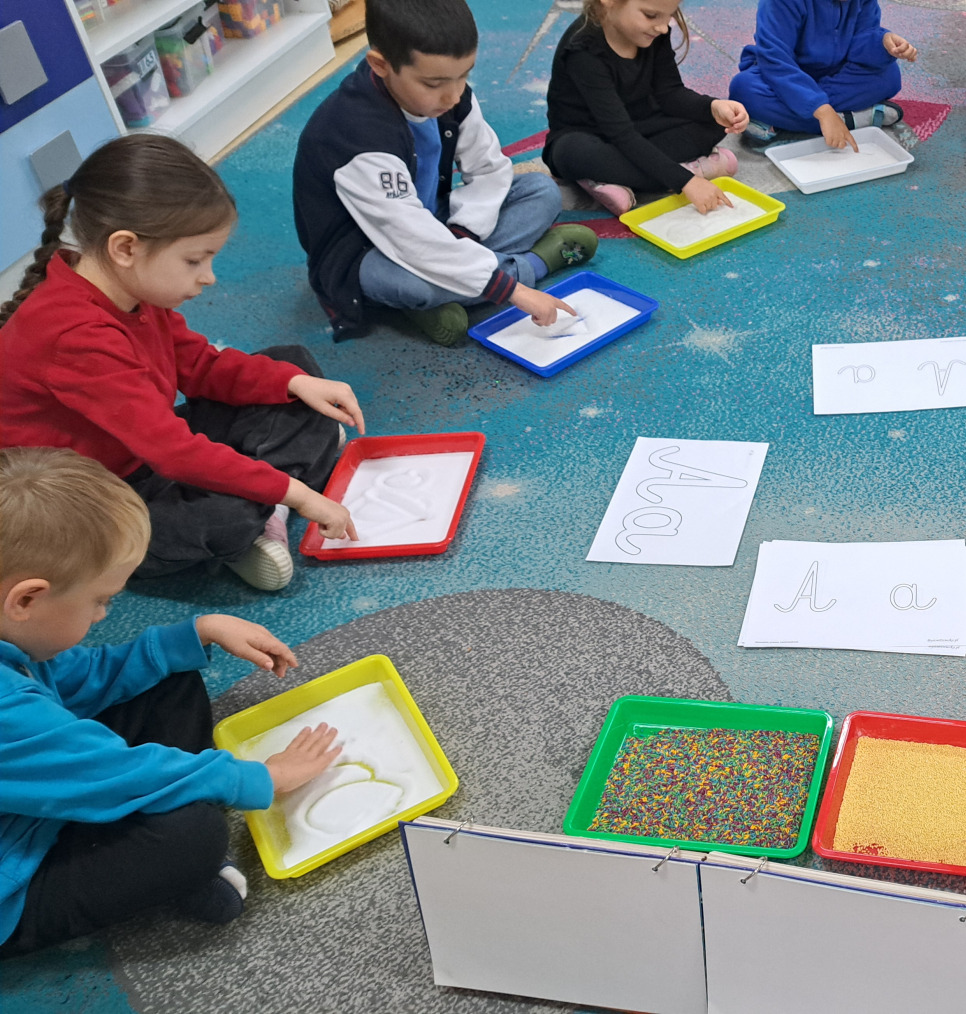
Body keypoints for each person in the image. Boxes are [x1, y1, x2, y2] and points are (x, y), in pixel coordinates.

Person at [0, 448, 342, 956]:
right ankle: (174, 874)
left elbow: (75, 680)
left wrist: (197, 632)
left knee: (167, 676)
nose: (102, 615)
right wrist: (264, 778)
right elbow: (117, 775)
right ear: (26, 600)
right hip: (13, 885)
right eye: (100, 601)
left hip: (39, 794)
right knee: (192, 836)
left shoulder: (14, 644)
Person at [0, 135, 360, 593]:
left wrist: (292, 383)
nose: (208, 277)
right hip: (92, 499)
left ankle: (268, 500)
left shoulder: (131, 288)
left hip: (141, 449)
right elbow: (174, 451)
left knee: (293, 369)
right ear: (125, 248)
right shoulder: (74, 336)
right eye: (194, 261)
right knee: (223, 515)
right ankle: (269, 502)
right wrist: (303, 496)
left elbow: (201, 368)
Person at [294, 0, 598, 345]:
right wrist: (515, 290)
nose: (453, 96)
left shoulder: (450, 94)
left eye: (464, 75)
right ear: (380, 65)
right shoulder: (356, 136)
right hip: (368, 252)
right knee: (415, 284)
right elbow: (409, 238)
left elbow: (489, 170)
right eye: (433, 83)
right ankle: (534, 264)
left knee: (540, 191)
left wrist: (462, 233)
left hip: (433, 221)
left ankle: (452, 290)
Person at [544, 0, 751, 217]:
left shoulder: (653, 33)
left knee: (714, 123)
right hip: (590, 135)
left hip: (642, 125)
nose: (662, 27)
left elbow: (670, 93)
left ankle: (614, 180)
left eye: (669, 15)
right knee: (576, 154)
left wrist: (713, 107)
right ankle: (688, 170)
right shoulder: (584, 50)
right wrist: (686, 181)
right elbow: (620, 132)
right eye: (651, 15)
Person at [730, 0, 916, 151]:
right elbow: (775, 60)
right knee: (743, 88)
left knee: (889, 76)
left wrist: (882, 42)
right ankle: (851, 119)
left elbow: (862, 39)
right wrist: (822, 110)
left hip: (835, 74)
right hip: (787, 75)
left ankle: (781, 121)